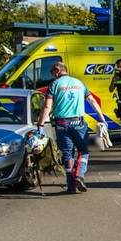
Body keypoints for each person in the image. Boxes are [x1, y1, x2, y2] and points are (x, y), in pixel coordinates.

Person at [38, 61, 90, 193]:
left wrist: (40, 124)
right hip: (78, 123)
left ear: (57, 71)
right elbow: (92, 100)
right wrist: (101, 119)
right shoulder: (79, 83)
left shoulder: (54, 84)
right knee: (83, 151)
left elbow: (48, 106)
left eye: (52, 72)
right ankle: (79, 175)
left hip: (61, 124)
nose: (52, 75)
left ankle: (71, 186)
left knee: (67, 153)